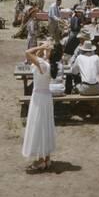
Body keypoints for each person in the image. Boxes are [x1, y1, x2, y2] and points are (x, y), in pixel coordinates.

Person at [22, 42, 63, 172]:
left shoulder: (43, 64)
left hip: (39, 98)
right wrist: (44, 49)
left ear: (50, 52)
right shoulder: (48, 64)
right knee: (44, 126)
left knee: (39, 127)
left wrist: (41, 47)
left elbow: (28, 53)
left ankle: (41, 161)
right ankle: (46, 158)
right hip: (46, 97)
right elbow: (35, 57)